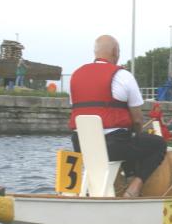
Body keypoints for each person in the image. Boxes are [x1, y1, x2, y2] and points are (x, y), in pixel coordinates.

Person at [69, 35, 166, 197]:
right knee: (157, 144)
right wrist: (137, 132)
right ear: (115, 52)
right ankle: (134, 187)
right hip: (112, 146)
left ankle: (91, 191)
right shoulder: (122, 76)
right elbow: (137, 119)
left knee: (129, 140)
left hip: (81, 146)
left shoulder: (75, 76)